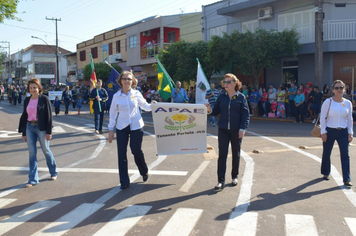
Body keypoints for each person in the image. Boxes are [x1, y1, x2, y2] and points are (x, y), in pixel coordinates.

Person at [108, 71, 156, 189]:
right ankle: (124, 181)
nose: (127, 81)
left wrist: (153, 105)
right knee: (122, 154)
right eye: (124, 79)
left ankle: (143, 170)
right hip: (122, 127)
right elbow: (113, 113)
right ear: (120, 81)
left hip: (136, 126)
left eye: (129, 79)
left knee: (136, 151)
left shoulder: (136, 94)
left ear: (132, 81)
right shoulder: (116, 96)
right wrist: (110, 129)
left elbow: (145, 106)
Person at [206, 73, 250, 191]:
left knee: (236, 154)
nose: (225, 84)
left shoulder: (241, 97)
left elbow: (245, 115)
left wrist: (243, 128)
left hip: (236, 130)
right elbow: (215, 111)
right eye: (224, 82)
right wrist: (209, 109)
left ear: (235, 83)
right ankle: (221, 181)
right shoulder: (221, 97)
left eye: (228, 82)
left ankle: (234, 176)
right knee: (222, 155)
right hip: (223, 129)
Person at [18, 78, 58, 187]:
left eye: (35, 87)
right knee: (32, 154)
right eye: (31, 88)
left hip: (42, 128)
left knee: (46, 150)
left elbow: (49, 116)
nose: (33, 90)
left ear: (39, 88)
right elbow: (24, 116)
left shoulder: (44, 99)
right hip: (30, 127)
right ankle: (32, 179)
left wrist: (49, 132)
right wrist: (24, 133)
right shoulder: (27, 100)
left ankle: (53, 172)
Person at [320, 80, 353, 187]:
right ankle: (326, 172)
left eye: (341, 88)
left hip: (343, 131)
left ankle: (347, 179)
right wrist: (323, 132)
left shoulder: (348, 103)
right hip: (330, 130)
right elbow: (322, 118)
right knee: (327, 152)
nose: (339, 90)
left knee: (345, 155)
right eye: (337, 88)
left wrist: (350, 132)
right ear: (333, 90)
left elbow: (350, 119)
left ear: (344, 89)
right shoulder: (328, 102)